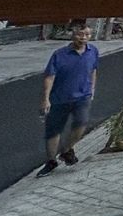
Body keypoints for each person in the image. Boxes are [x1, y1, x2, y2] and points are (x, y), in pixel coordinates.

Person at [37, 23, 97, 177]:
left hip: (82, 97)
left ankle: (66, 149)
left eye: (87, 35)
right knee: (53, 131)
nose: (83, 38)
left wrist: (92, 89)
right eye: (80, 34)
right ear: (73, 34)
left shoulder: (93, 52)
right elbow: (49, 77)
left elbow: (93, 70)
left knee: (82, 123)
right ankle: (51, 161)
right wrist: (45, 99)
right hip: (59, 98)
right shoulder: (59, 54)